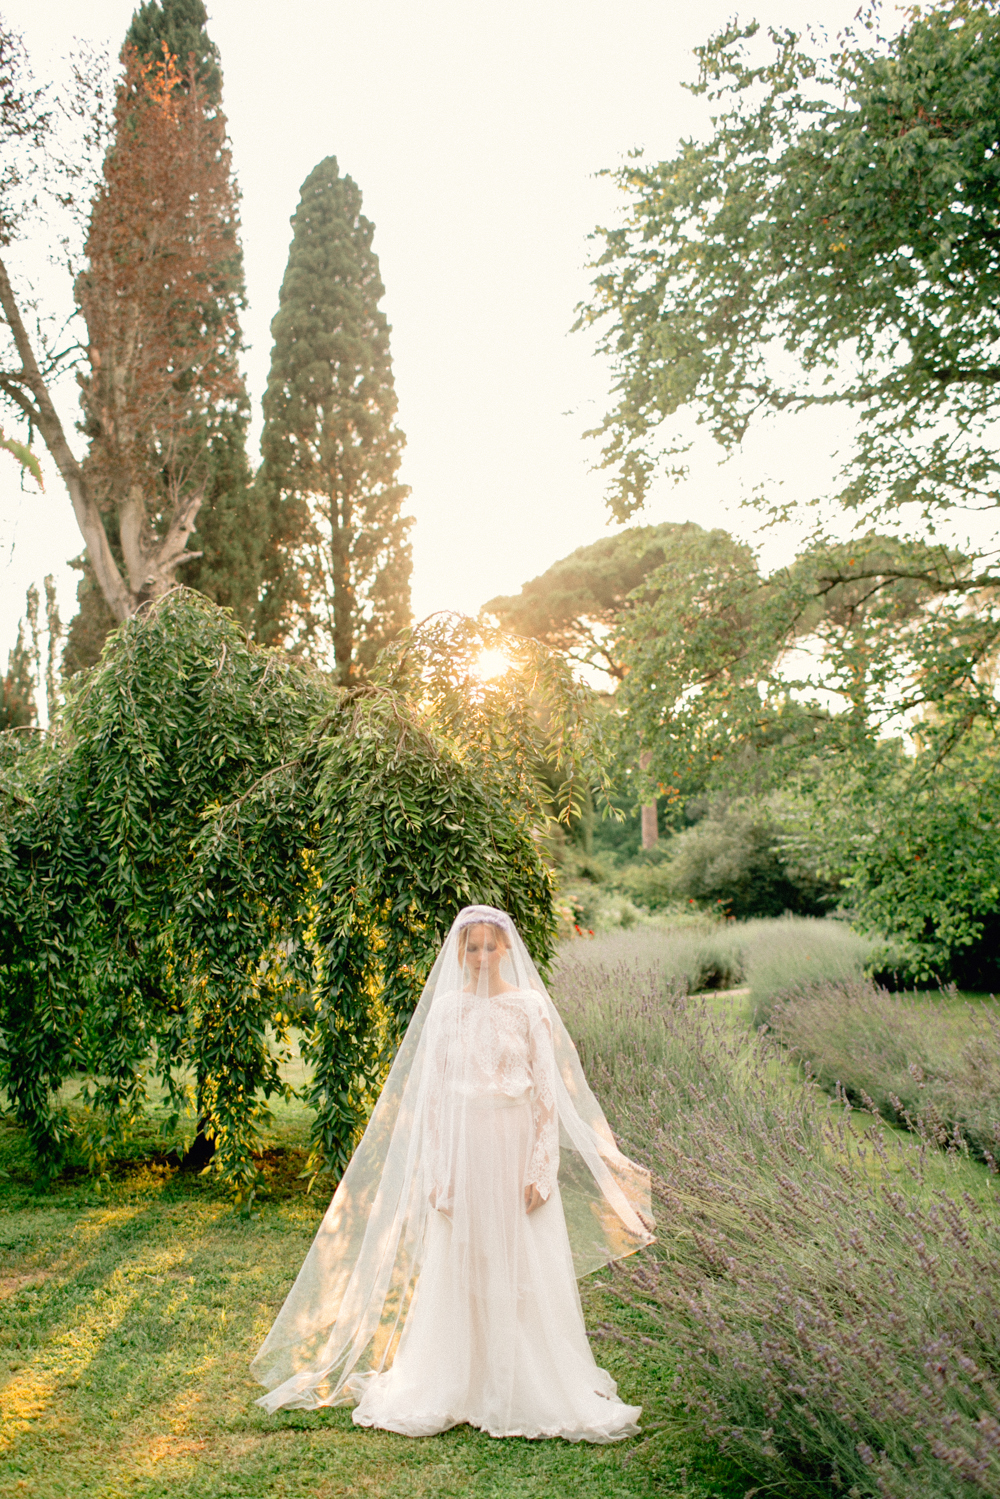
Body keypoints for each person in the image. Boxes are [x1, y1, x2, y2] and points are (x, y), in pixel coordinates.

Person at [250, 904, 654, 1442]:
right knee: (464, 1263)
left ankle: (526, 1381)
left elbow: (546, 1096)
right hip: (464, 1155)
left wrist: (541, 1168)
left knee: (521, 1266)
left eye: (490, 946)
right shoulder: (446, 1013)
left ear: (507, 948)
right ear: (459, 953)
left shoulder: (529, 1006)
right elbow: (434, 1102)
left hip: (515, 1154)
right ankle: (458, 1380)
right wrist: (439, 1175)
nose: (482, 957)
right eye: (472, 948)